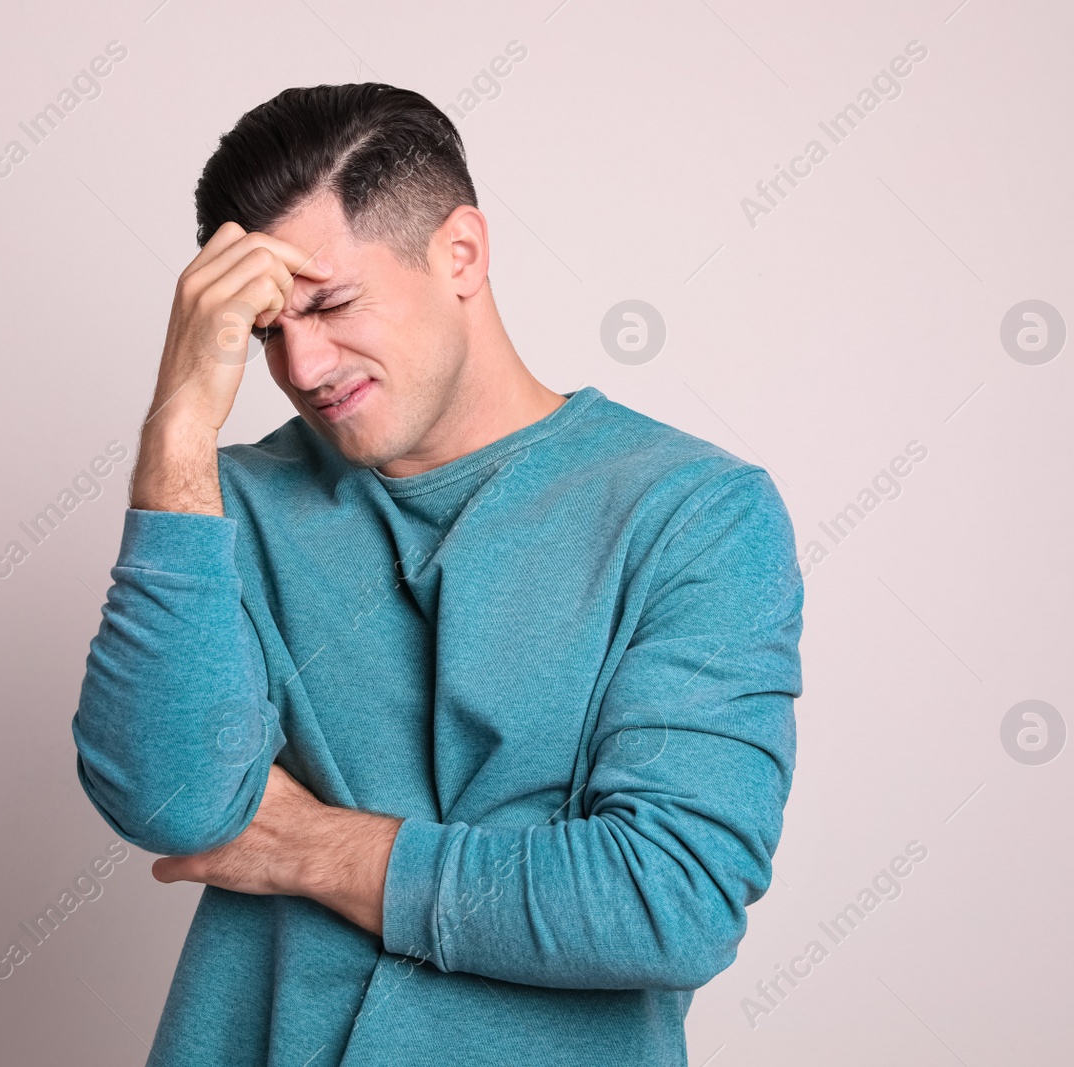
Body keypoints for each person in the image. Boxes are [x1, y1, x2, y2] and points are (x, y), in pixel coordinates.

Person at [71, 82, 804, 1067]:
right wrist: (177, 428)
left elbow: (664, 899)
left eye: (329, 304)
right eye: (264, 332)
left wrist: (308, 844)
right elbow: (168, 805)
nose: (304, 362)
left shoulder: (690, 511)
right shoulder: (219, 501)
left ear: (460, 253)